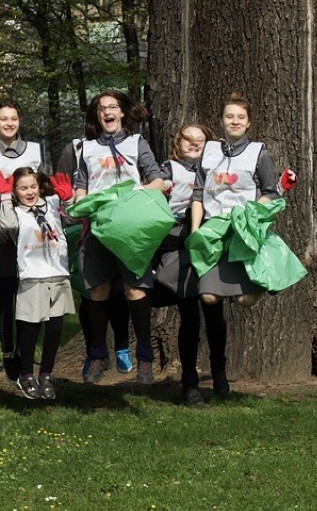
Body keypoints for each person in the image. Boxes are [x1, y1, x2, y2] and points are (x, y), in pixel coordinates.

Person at [72, 91, 166, 385]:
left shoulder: (137, 143)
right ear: (97, 115)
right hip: (99, 228)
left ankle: (145, 360)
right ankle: (99, 355)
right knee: (97, 290)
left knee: (135, 290)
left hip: (130, 229)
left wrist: (134, 195)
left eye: (113, 107)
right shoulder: (85, 148)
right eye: (102, 109)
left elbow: (158, 181)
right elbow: (80, 188)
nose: (108, 113)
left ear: (123, 113)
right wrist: (79, 203)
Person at [152, 124, 227, 406]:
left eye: (201, 140)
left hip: (211, 240)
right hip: (178, 245)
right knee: (190, 315)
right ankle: (189, 384)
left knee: (214, 311)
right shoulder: (168, 168)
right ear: (178, 142)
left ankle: (220, 371)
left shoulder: (219, 168)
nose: (194, 144)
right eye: (188, 139)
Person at [0, 101, 43, 383]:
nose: (9, 123)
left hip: (30, 229)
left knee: (28, 290)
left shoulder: (36, 150)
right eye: (4, 119)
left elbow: (43, 188)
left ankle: (25, 354)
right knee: (4, 291)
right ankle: (7, 350)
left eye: (14, 118)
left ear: (20, 121)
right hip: (0, 229)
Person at [190, 90, 279, 311]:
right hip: (214, 230)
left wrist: (251, 214)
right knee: (209, 297)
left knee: (245, 300)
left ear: (249, 123)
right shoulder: (208, 151)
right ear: (222, 121)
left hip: (244, 231)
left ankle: (261, 281)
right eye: (230, 116)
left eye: (240, 117)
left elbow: (271, 192)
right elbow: (199, 193)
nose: (235, 121)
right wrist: (195, 230)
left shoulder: (259, 153)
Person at [0, 167, 75, 400]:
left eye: (32, 186)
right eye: (22, 188)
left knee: (55, 328)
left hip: (58, 274)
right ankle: (26, 374)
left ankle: (46, 375)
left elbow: (71, 220)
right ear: (15, 190)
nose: (29, 192)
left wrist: (68, 200)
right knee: (30, 328)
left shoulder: (52, 204)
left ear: (39, 186)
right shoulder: (16, 212)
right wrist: (6, 198)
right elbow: (8, 229)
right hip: (31, 276)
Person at [55, 137, 133, 378]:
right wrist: (68, 200)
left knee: (119, 289)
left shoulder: (127, 145)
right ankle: (94, 353)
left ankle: (122, 346)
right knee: (90, 292)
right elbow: (59, 186)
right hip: (82, 229)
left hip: (120, 226)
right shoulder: (74, 149)